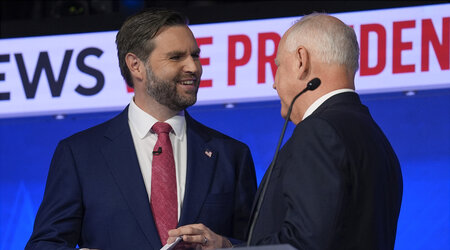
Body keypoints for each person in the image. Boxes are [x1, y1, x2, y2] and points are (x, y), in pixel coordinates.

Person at [25, 8, 256, 250]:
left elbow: (258, 243)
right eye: (177, 57)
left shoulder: (232, 155)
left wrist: (226, 246)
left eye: (195, 56)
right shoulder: (79, 154)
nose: (194, 67)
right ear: (136, 66)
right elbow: (45, 244)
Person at [170, 13, 403, 250]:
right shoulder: (376, 138)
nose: (274, 83)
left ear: (301, 61)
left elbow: (302, 244)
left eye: (278, 65)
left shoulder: (318, 132)